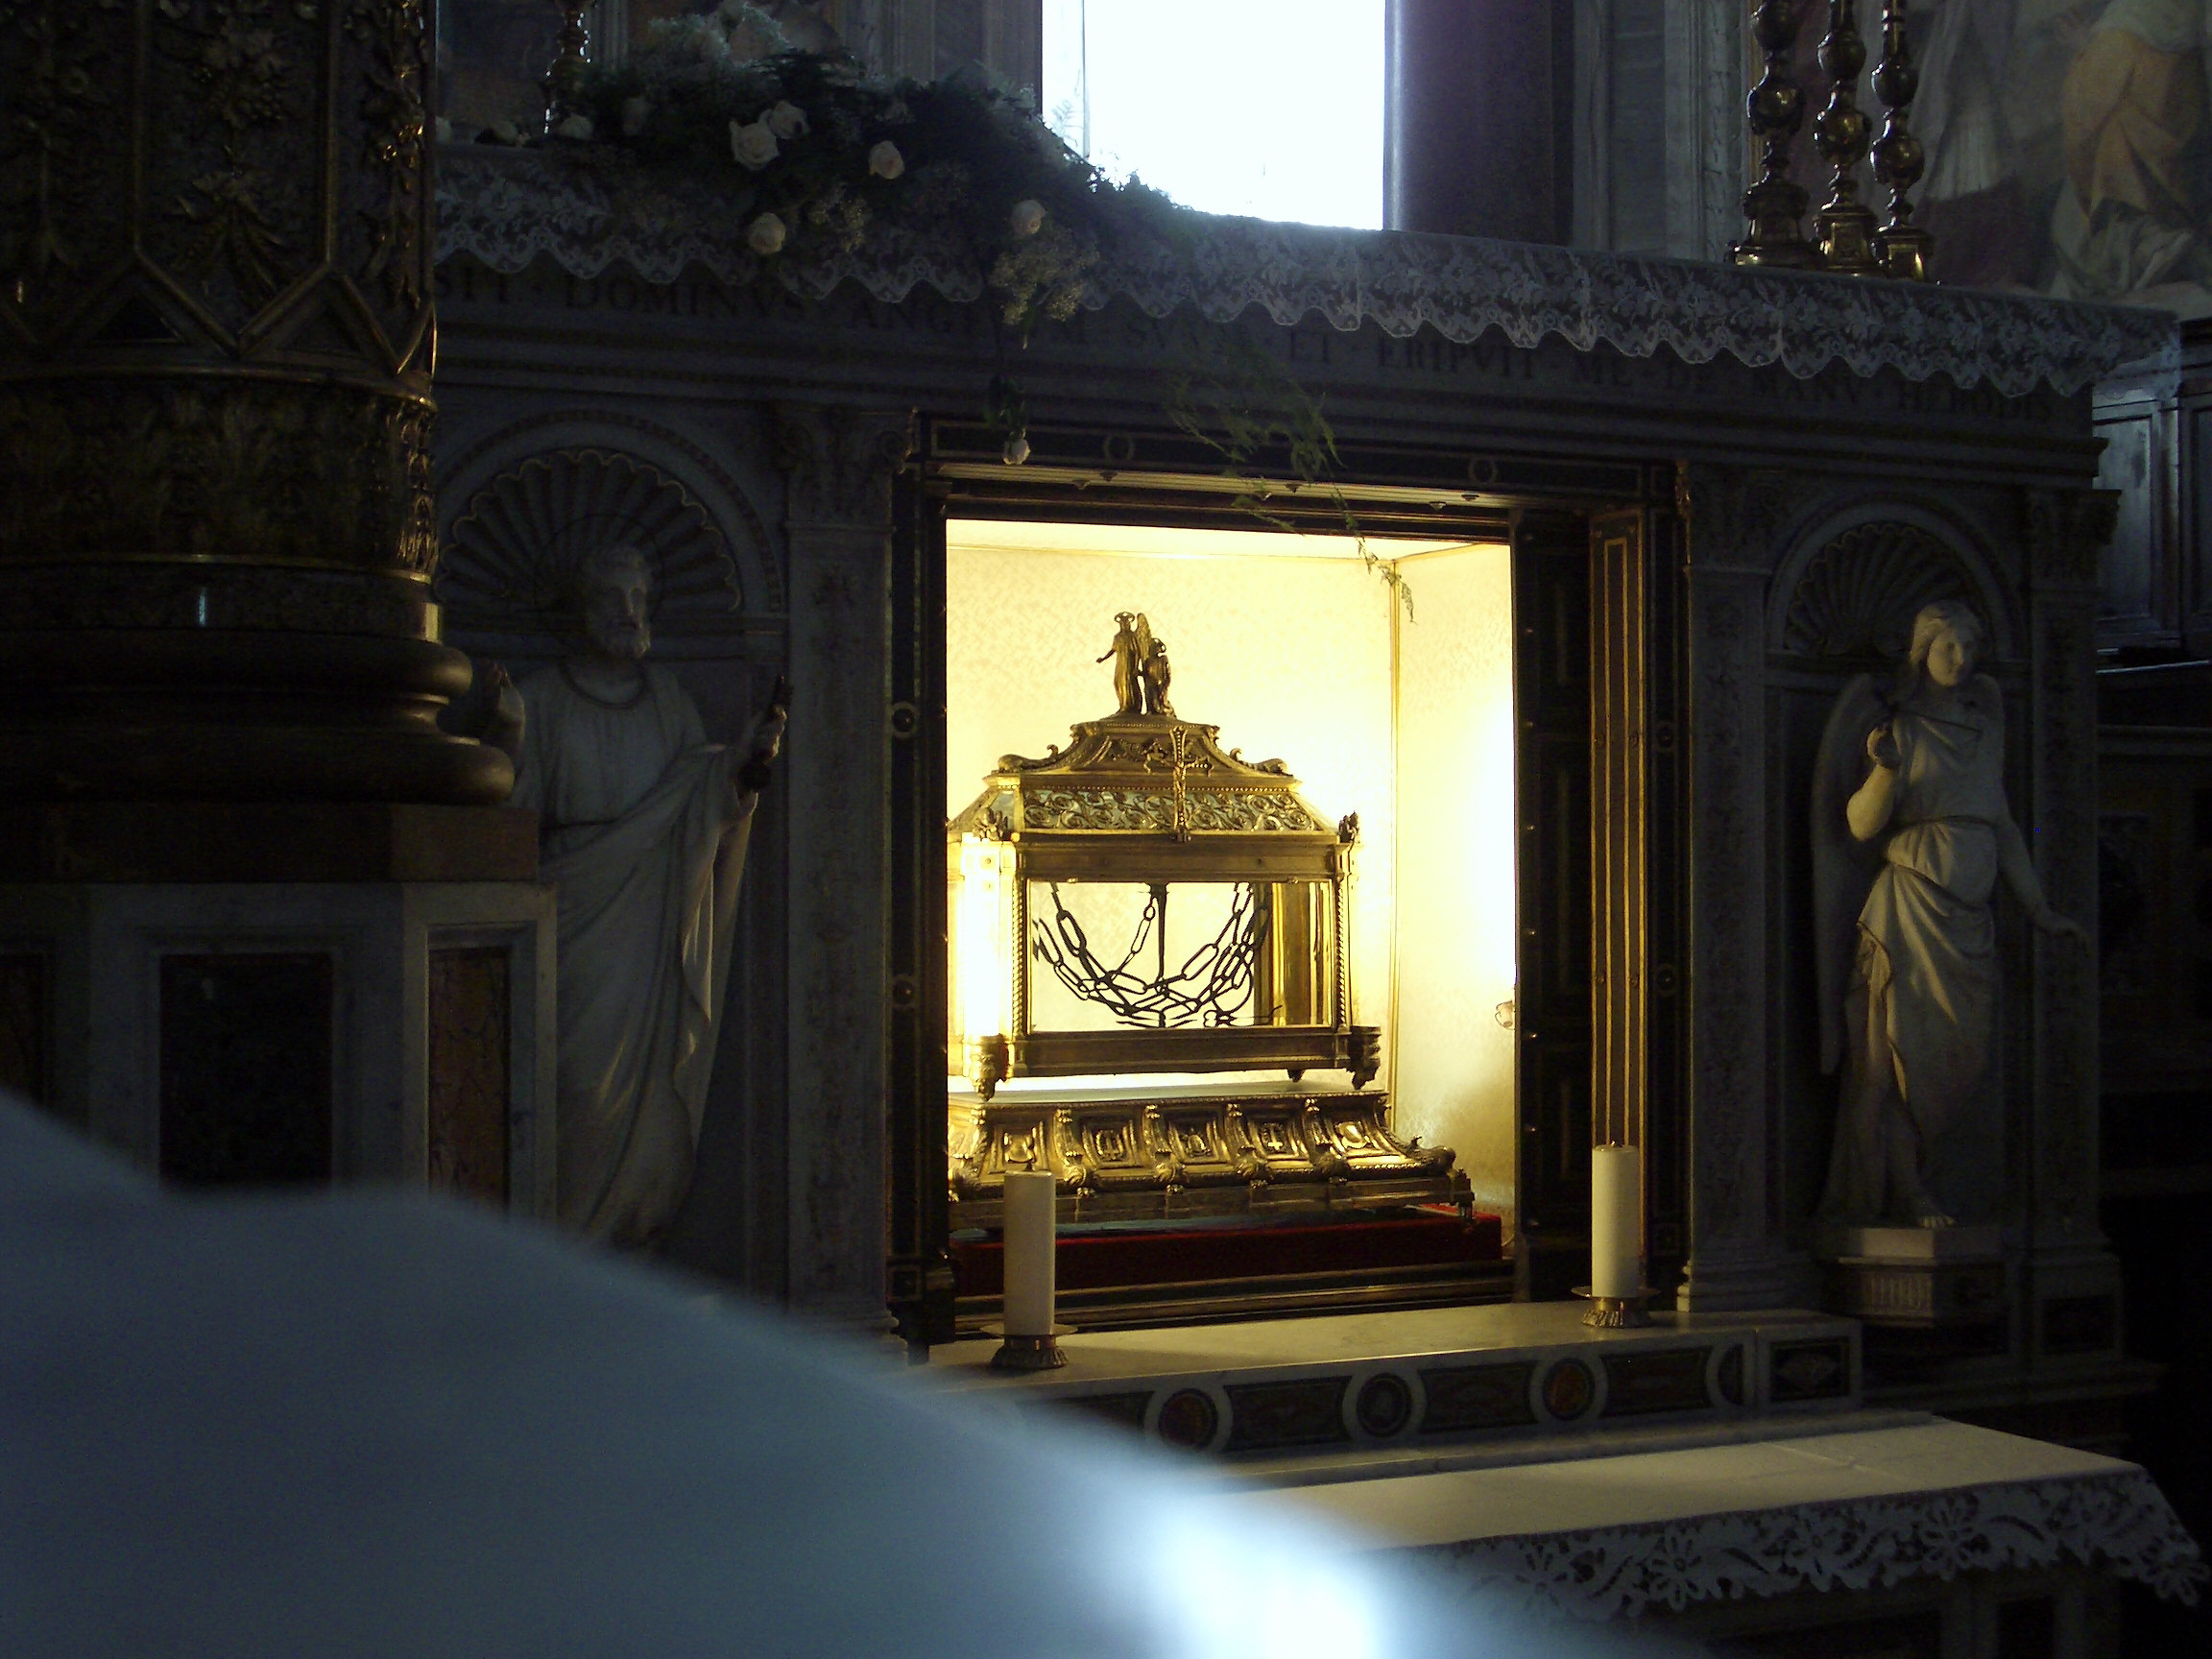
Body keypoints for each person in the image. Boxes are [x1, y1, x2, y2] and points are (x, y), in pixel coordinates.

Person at [499, 544, 784, 1246]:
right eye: (611, 599)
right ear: (578, 611)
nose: (628, 613)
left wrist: (743, 768)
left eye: (638, 599)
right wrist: (504, 742)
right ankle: (561, 1251)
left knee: (648, 1102)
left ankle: (620, 1249)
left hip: (654, 924)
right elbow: (506, 829)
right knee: (575, 1088)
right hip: (573, 921)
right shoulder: (539, 702)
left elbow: (700, 803)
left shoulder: (668, 702)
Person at [1811, 601, 2086, 1227]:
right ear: (1922, 652)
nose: (1960, 661)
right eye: (1947, 648)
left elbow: (2004, 827)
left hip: (1970, 923)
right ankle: (1906, 1193)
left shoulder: (1985, 729)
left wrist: (2039, 908)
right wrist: (1885, 770)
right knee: (1897, 1059)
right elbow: (1859, 826)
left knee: (1956, 1062)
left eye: (1969, 648)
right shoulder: (1898, 729)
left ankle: (1925, 1181)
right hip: (1909, 912)